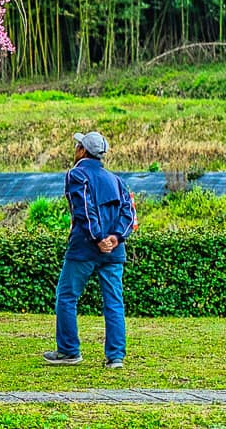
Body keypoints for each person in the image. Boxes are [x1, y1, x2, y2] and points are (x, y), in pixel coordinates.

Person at [44, 130, 137, 369]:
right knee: (114, 302)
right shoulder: (117, 180)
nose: (75, 149)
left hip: (84, 248)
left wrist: (98, 238)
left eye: (77, 146)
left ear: (82, 151)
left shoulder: (77, 174)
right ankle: (115, 357)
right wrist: (116, 238)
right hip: (114, 253)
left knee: (66, 296)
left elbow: (83, 210)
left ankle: (68, 351)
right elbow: (129, 213)